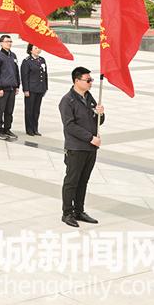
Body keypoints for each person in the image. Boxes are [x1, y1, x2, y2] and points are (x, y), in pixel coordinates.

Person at [59, 67, 104, 227]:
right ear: (76, 81)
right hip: (76, 148)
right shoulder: (67, 100)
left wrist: (100, 113)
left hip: (90, 148)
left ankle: (79, 210)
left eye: (91, 80)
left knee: (83, 180)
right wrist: (90, 138)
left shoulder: (89, 97)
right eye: (88, 80)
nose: (91, 83)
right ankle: (67, 213)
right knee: (72, 181)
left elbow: (97, 121)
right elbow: (70, 126)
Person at [0, 34, 20, 141]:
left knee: (9, 111)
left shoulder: (13, 55)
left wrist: (17, 85)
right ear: (1, 43)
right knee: (0, 110)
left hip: (12, 88)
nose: (9, 43)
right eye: (7, 41)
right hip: (3, 88)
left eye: (10, 41)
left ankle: (7, 129)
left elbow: (16, 71)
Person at [20, 44, 48, 136]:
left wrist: (45, 87)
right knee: (29, 110)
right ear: (30, 50)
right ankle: (29, 129)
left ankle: (35, 128)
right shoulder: (27, 61)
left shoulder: (42, 60)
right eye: (35, 48)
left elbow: (45, 74)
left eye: (39, 47)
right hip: (31, 89)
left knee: (36, 110)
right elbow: (24, 77)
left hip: (40, 88)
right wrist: (25, 89)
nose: (38, 49)